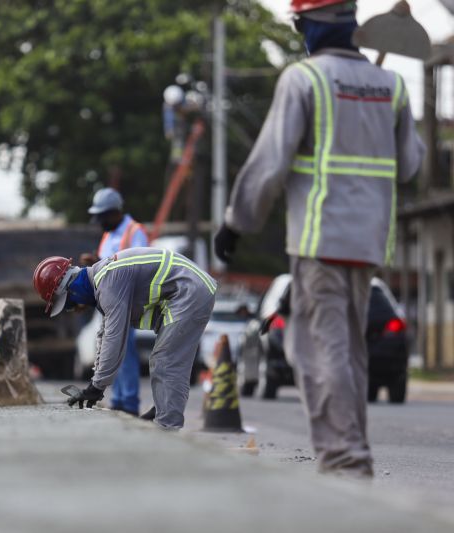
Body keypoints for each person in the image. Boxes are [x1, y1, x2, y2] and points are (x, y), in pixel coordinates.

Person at [214, 0, 424, 477]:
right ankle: (352, 451)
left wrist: (236, 222)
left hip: (319, 241)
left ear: (307, 24)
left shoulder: (303, 79)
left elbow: (270, 163)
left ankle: (345, 460)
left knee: (319, 352)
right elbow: (410, 165)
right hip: (369, 245)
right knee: (348, 352)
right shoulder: (390, 86)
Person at [33, 248, 216, 429]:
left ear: (72, 289)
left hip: (189, 290)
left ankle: (168, 428)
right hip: (186, 288)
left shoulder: (108, 281)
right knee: (163, 359)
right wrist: (95, 384)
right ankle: (164, 410)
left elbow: (115, 337)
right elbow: (104, 335)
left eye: (70, 303)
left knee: (166, 360)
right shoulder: (103, 280)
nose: (75, 308)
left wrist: (96, 388)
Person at [79, 188, 149, 416]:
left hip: (128, 302)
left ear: (114, 212)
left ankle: (128, 402)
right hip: (110, 303)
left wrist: (99, 261)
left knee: (124, 351)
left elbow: (137, 265)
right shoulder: (109, 234)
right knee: (112, 350)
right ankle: (118, 398)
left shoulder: (134, 231)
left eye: (102, 216)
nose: (99, 222)